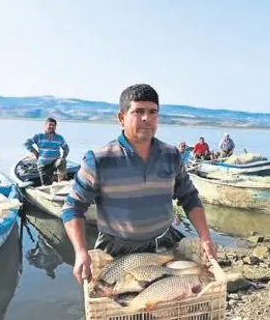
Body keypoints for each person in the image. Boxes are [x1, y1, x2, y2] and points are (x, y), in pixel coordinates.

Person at [61, 84, 217, 284]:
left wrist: (205, 236)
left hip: (164, 244)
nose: (147, 118)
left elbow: (189, 197)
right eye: (138, 112)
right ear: (121, 118)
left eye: (153, 112)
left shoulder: (171, 156)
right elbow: (72, 207)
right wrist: (81, 251)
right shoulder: (99, 160)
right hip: (116, 251)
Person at [24, 117, 70, 186]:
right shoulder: (39, 136)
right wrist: (35, 152)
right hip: (43, 165)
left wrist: (63, 158)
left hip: (55, 163)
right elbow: (26, 143)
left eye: (53, 125)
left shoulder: (59, 138)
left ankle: (61, 184)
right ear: (45, 125)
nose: (51, 126)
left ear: (55, 126)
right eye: (50, 125)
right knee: (46, 185)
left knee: (62, 161)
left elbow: (66, 149)